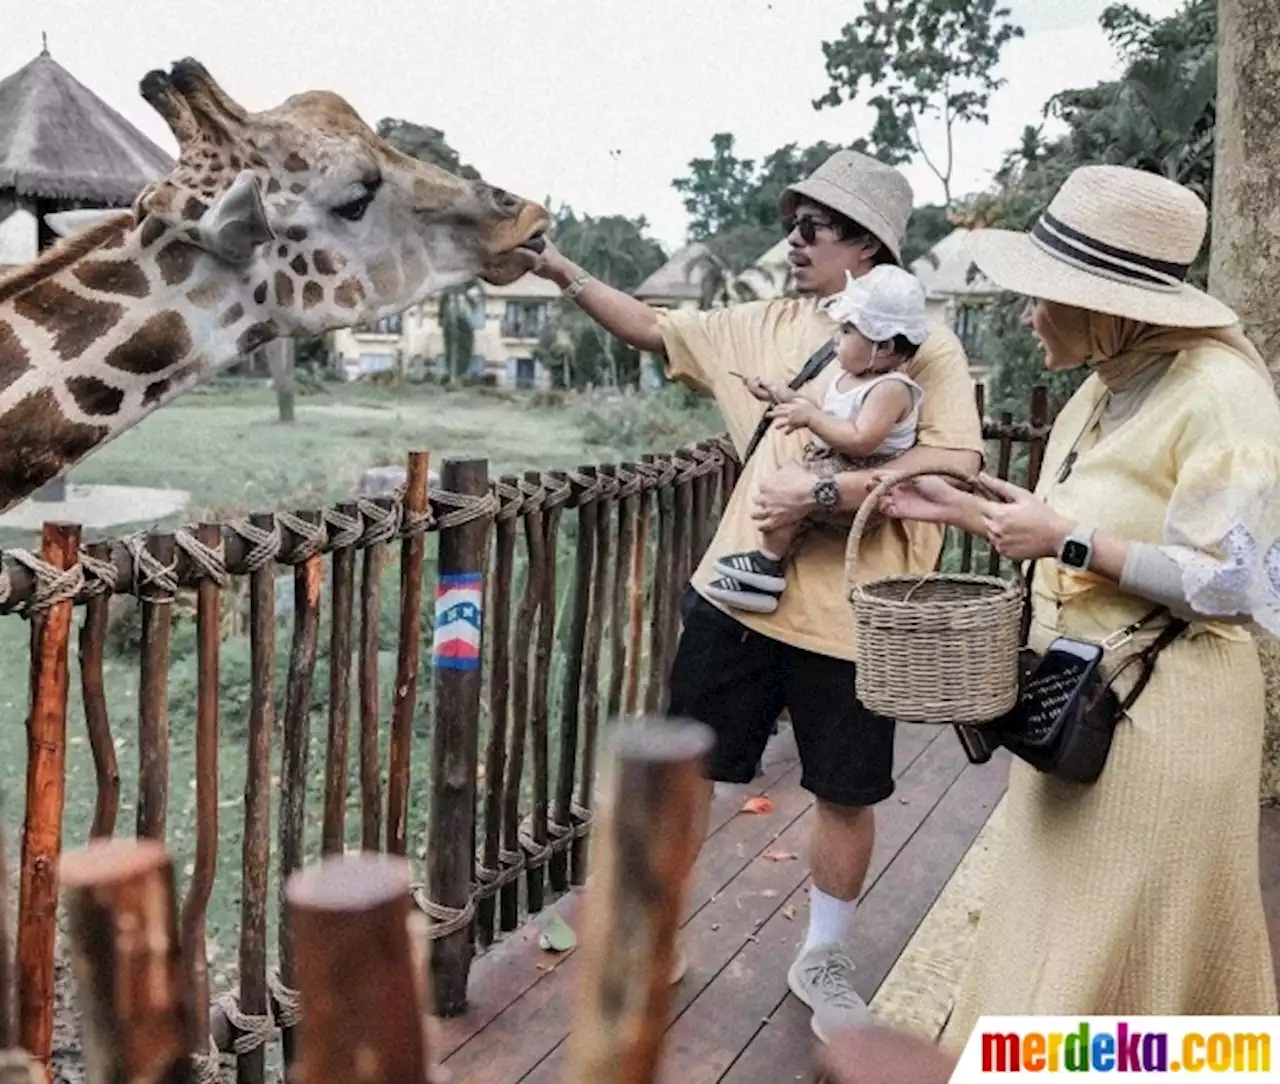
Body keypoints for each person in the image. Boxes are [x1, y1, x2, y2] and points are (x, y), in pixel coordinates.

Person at [528, 149, 984, 1042]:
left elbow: (957, 462)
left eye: (815, 226)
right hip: (735, 598)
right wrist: (563, 271)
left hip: (853, 612)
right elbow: (657, 330)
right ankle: (657, 935)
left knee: (845, 789)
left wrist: (826, 495)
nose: (794, 238)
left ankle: (823, 952)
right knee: (690, 770)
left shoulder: (919, 347)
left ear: (870, 248)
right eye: (794, 220)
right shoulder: (765, 320)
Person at [873, 163, 1280, 1059]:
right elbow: (1068, 526)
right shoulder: (1110, 380)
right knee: (1051, 935)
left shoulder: (1220, 394)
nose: (1028, 315)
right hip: (1086, 708)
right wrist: (962, 509)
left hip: (1166, 723)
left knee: (1123, 953)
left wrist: (1070, 542)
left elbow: (1248, 585)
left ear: (1114, 303)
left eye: (1046, 297)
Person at [706, 264, 928, 614]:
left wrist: (810, 418)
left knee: (788, 484)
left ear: (882, 347)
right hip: (835, 464)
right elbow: (819, 409)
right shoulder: (850, 377)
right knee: (782, 482)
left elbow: (861, 440)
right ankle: (767, 569)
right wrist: (778, 394)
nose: (837, 339)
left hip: (859, 479)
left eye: (847, 330)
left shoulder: (890, 389)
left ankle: (767, 563)